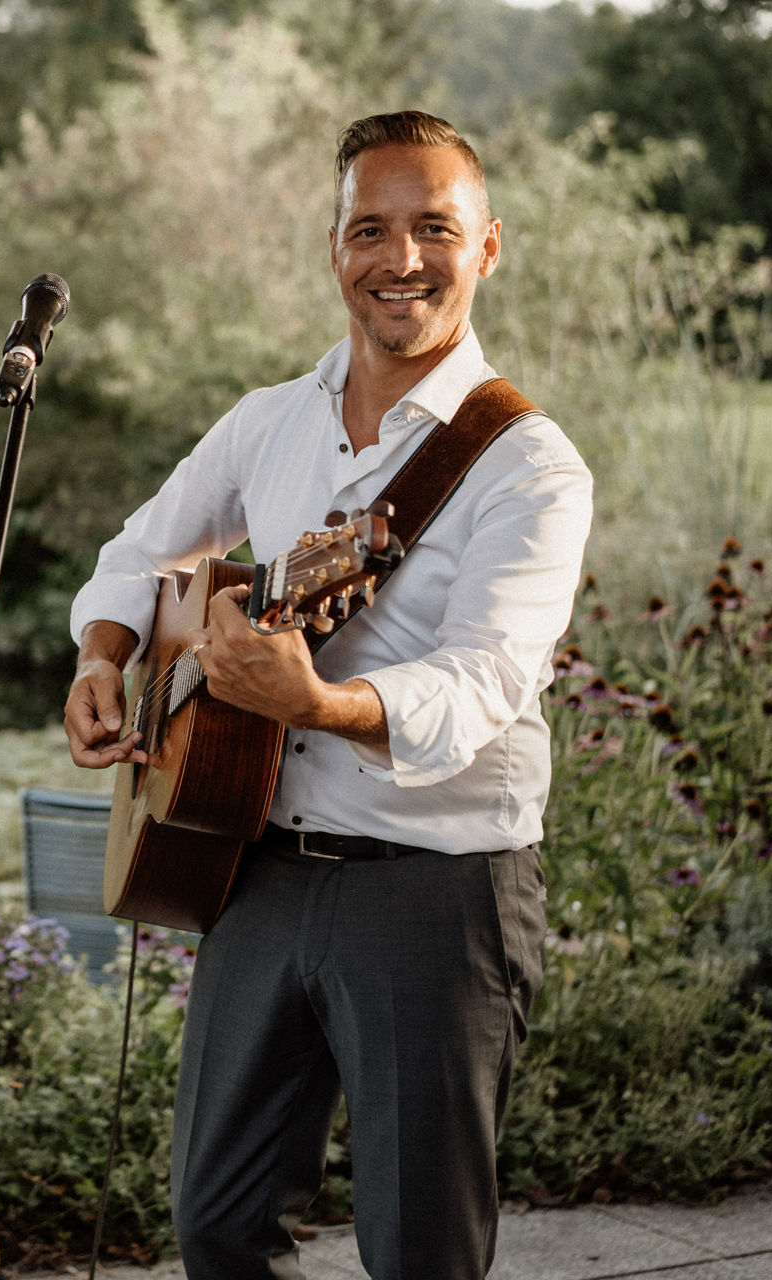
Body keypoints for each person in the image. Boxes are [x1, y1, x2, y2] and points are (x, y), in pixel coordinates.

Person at [64, 112, 593, 1279]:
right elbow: (136, 554)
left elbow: (487, 681)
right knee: (217, 1222)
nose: (401, 258)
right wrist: (104, 658)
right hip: (253, 864)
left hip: (435, 888)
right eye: (371, 229)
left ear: (488, 246)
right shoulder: (270, 420)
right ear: (335, 247)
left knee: (419, 1249)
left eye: (433, 229)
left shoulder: (527, 464)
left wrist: (319, 703)